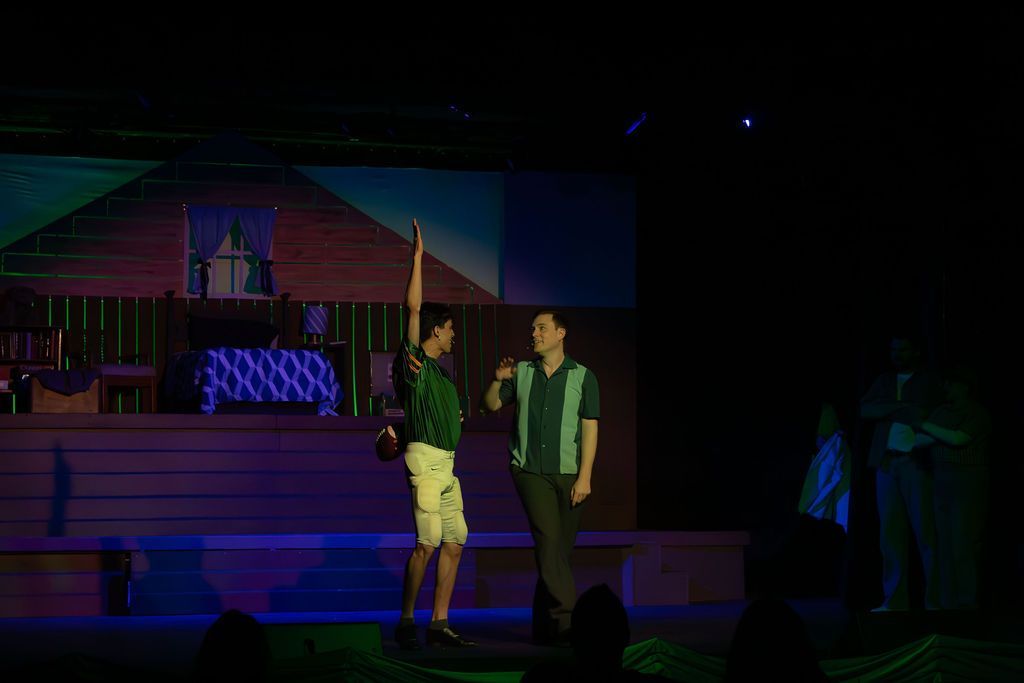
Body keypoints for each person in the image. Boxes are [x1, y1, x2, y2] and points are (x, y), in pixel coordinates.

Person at [480, 310, 599, 644]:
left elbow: (590, 429)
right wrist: (497, 380)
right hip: (529, 471)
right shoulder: (521, 372)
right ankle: (567, 620)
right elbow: (489, 405)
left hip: (570, 474)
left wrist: (585, 477)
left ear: (561, 334)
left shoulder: (583, 376)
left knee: (557, 552)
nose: (534, 334)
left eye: (542, 328)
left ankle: (544, 628)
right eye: (533, 329)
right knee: (549, 541)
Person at [392, 219, 475, 649]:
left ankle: (439, 623)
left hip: (448, 465)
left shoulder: (441, 376)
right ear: (437, 330)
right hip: (425, 463)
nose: (454, 334)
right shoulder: (416, 366)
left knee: (455, 542)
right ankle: (406, 620)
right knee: (426, 544)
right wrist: (419, 257)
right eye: (450, 328)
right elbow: (412, 310)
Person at [860, 334, 945, 610]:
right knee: (890, 536)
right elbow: (865, 409)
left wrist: (895, 410)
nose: (897, 355)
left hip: (915, 462)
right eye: (894, 350)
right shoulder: (884, 380)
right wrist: (900, 408)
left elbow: (931, 413)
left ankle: (936, 601)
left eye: (904, 349)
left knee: (926, 534)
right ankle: (894, 601)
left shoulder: (928, 381)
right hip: (886, 462)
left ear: (916, 352)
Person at [914, 365, 992, 610]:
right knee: (945, 545)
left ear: (964, 386)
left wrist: (926, 426)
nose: (945, 387)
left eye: (951, 383)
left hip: (967, 480)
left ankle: (966, 602)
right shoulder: (940, 411)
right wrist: (939, 433)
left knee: (963, 543)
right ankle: (948, 603)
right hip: (941, 480)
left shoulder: (977, 412)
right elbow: (919, 441)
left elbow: (959, 438)